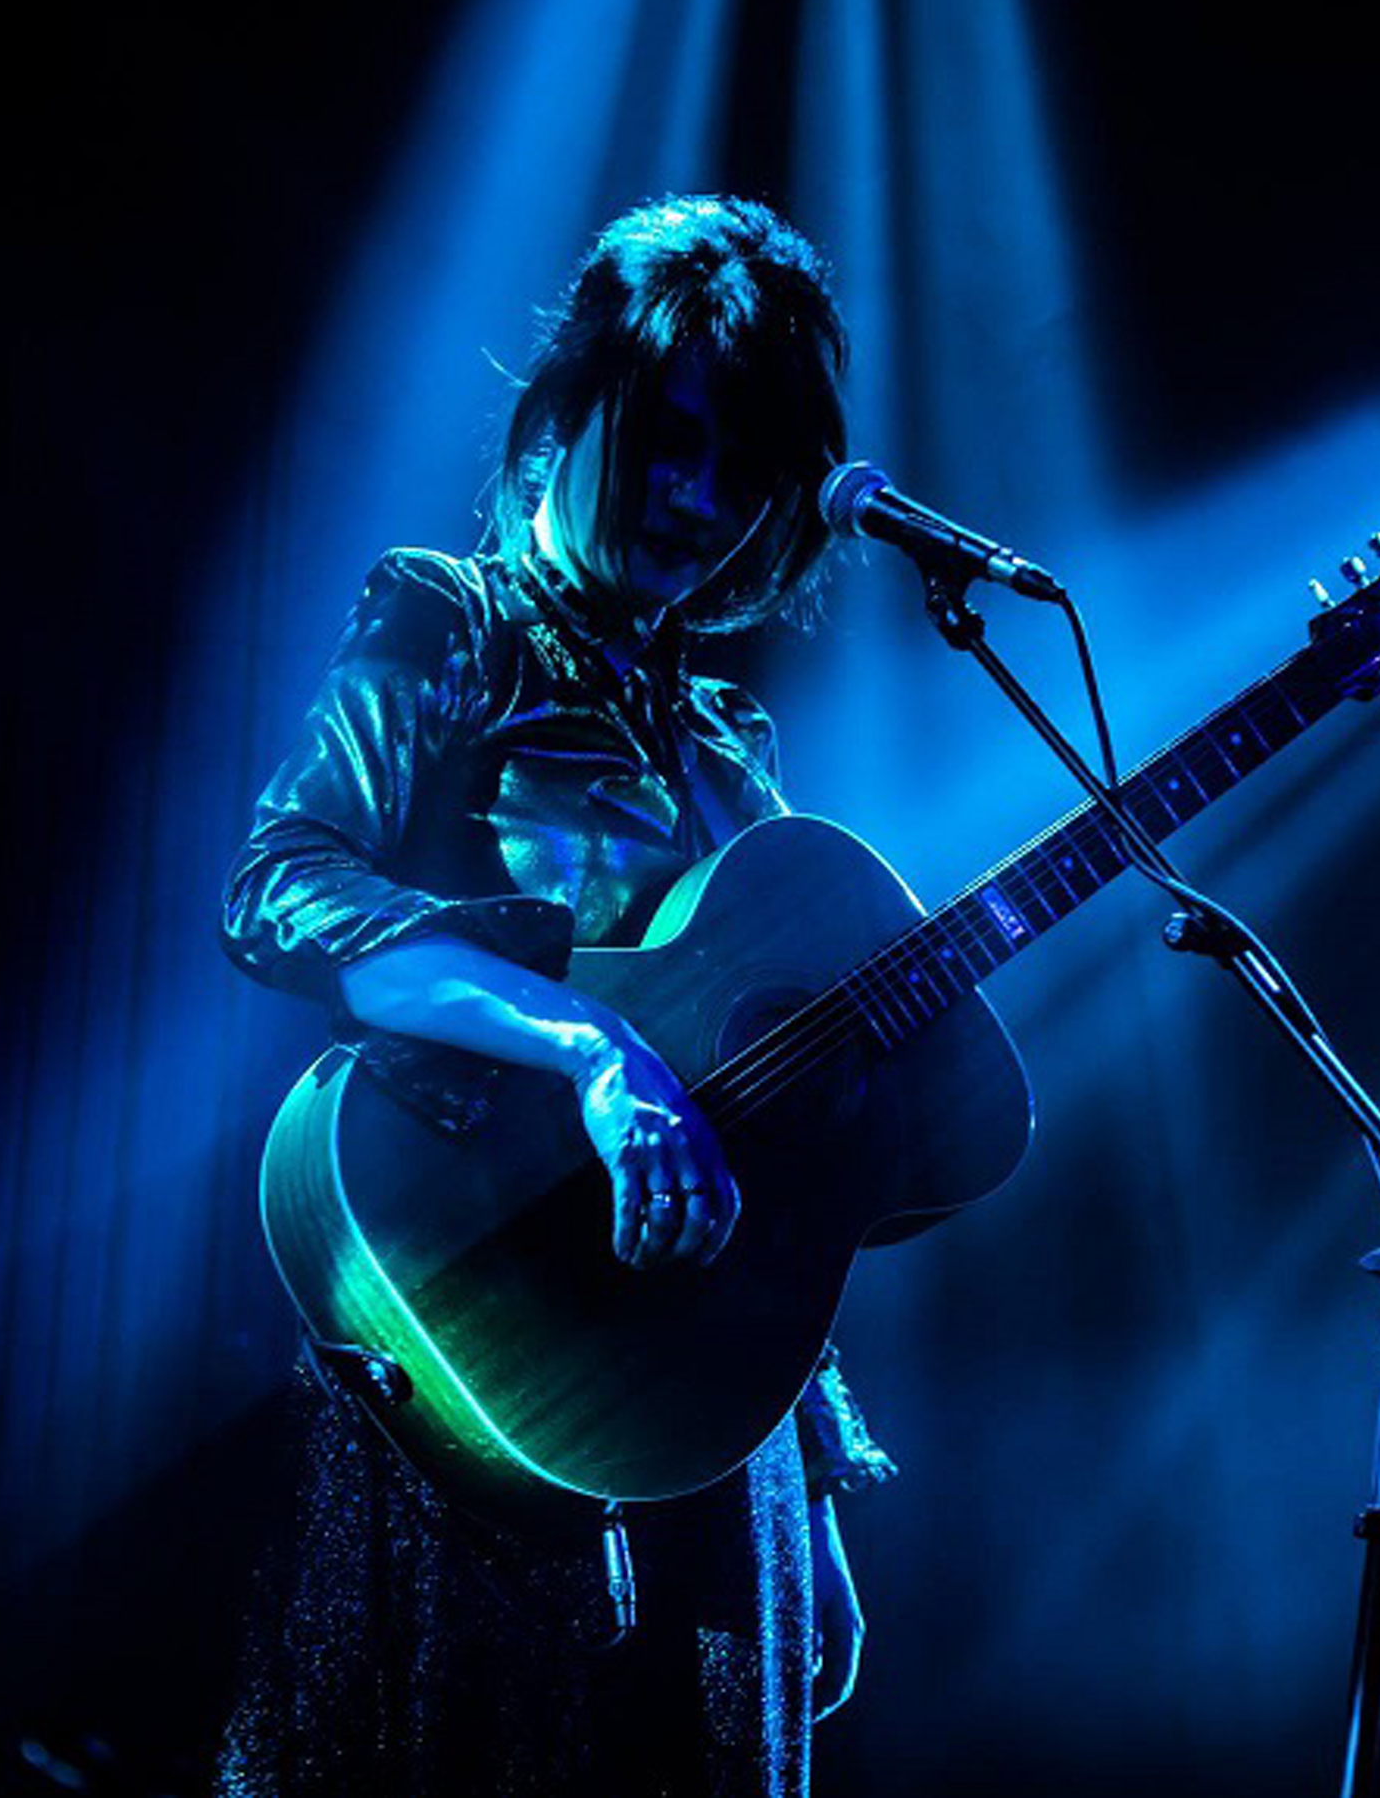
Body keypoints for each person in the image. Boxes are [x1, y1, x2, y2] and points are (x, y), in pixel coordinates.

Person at [214, 196, 897, 1798]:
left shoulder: (734, 746)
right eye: (668, 436)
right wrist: (590, 1045)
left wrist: (807, 1468)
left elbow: (768, 1138)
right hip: (475, 1347)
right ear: (571, 405)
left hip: (710, 1413)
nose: (696, 494)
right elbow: (279, 885)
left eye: (744, 468)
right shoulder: (446, 617)